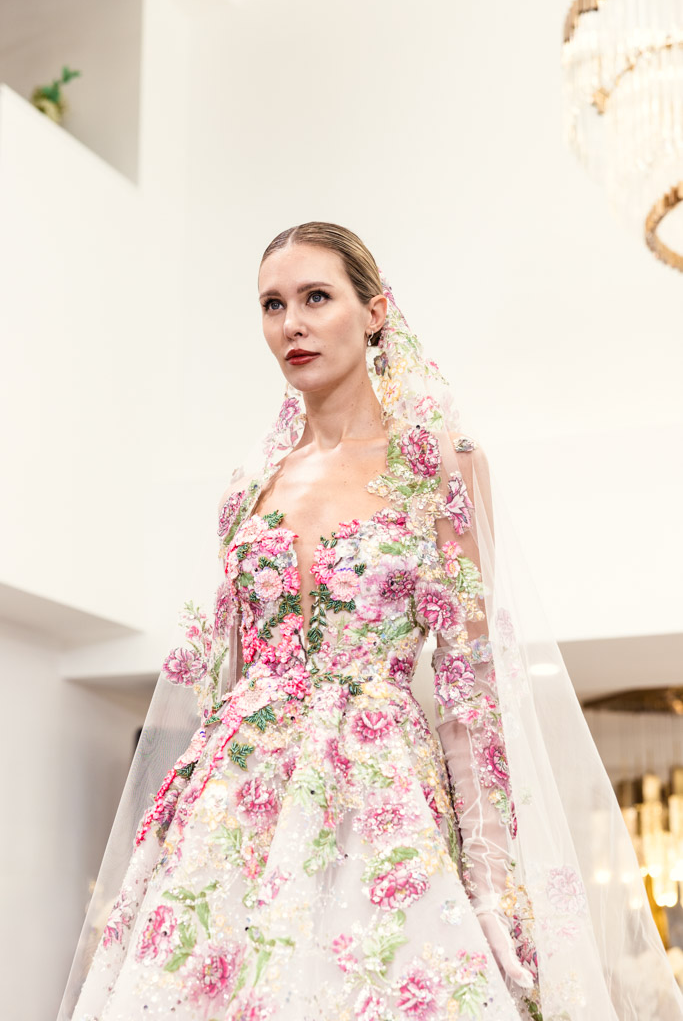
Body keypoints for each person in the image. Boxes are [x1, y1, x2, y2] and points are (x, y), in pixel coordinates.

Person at [58, 222, 683, 1021]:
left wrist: (490, 879)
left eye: (317, 297)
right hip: (237, 799)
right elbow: (233, 674)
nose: (292, 323)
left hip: (377, 788)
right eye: (272, 305)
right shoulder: (249, 485)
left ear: (376, 311)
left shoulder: (441, 466)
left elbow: (465, 684)